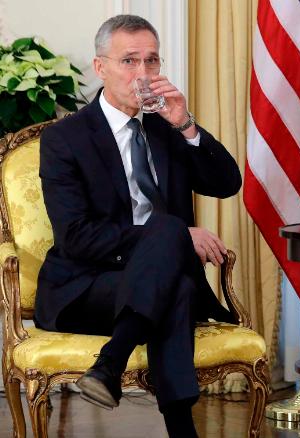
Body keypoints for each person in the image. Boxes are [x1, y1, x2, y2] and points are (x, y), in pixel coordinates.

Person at [34, 14, 241, 438]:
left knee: (177, 280)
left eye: (152, 61)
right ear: (100, 67)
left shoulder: (167, 129)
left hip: (156, 283)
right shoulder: (66, 138)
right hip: (86, 286)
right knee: (169, 235)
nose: (143, 74)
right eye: (129, 61)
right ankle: (182, 431)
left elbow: (227, 183)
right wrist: (177, 237)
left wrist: (185, 124)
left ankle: (111, 363)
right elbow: (75, 237)